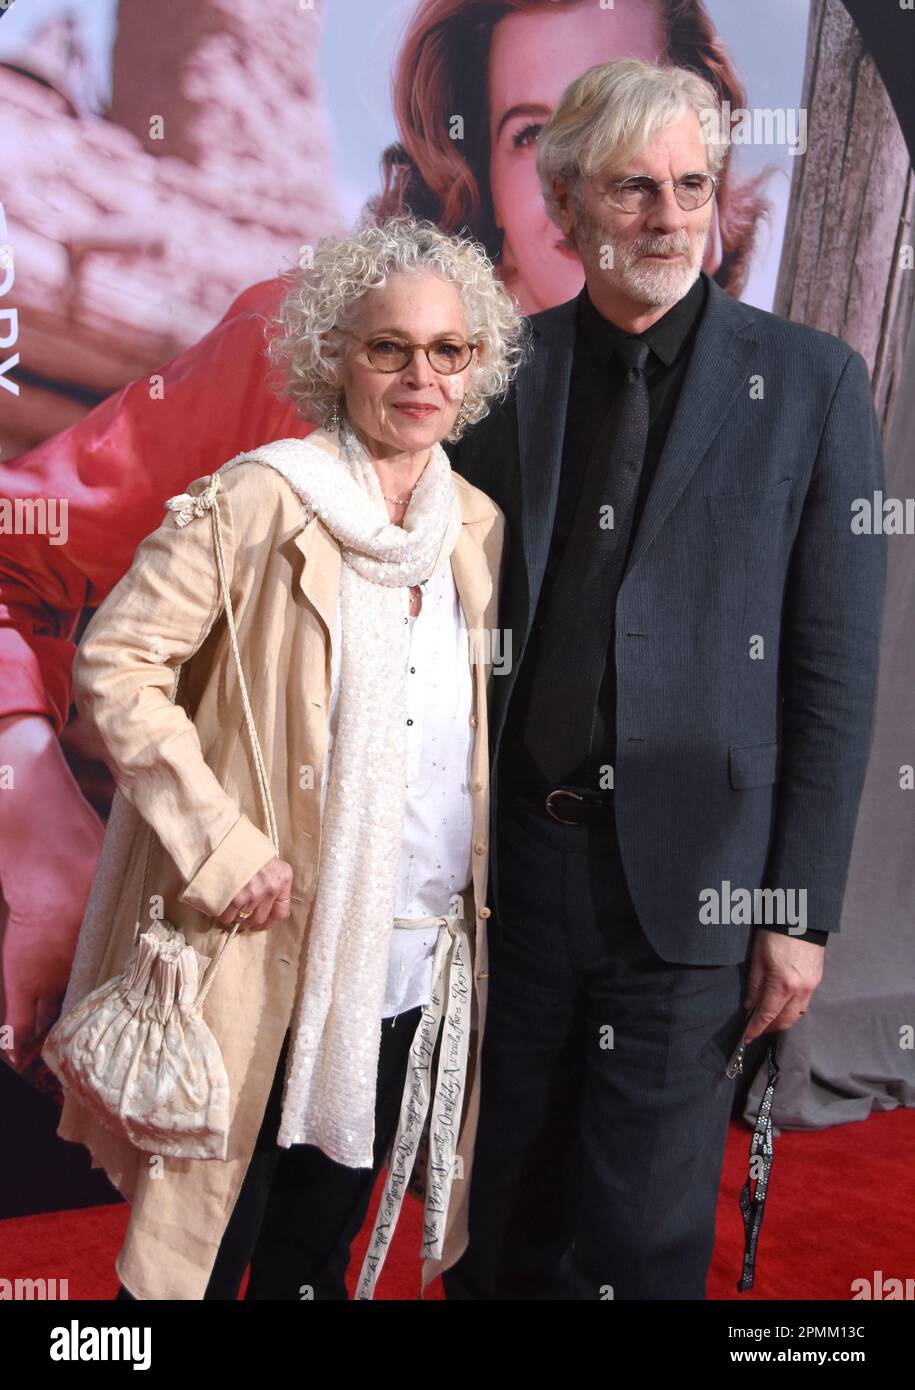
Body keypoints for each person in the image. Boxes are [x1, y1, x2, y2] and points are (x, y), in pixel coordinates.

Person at [440, 58, 887, 1299]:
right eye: (636, 189)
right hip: (517, 874)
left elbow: (834, 672)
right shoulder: (495, 377)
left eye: (694, 185)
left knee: (640, 1242)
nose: (672, 216)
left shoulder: (809, 386)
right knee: (501, 1221)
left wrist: (799, 910)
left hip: (700, 888)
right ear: (568, 202)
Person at [46, 216, 526, 1299]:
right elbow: (116, 663)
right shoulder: (258, 495)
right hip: (264, 947)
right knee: (201, 1257)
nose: (421, 375)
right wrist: (220, 847)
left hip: (410, 958)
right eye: (387, 347)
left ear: (476, 369)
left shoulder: (475, 525)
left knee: (316, 1252)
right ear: (332, 356)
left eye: (448, 351)